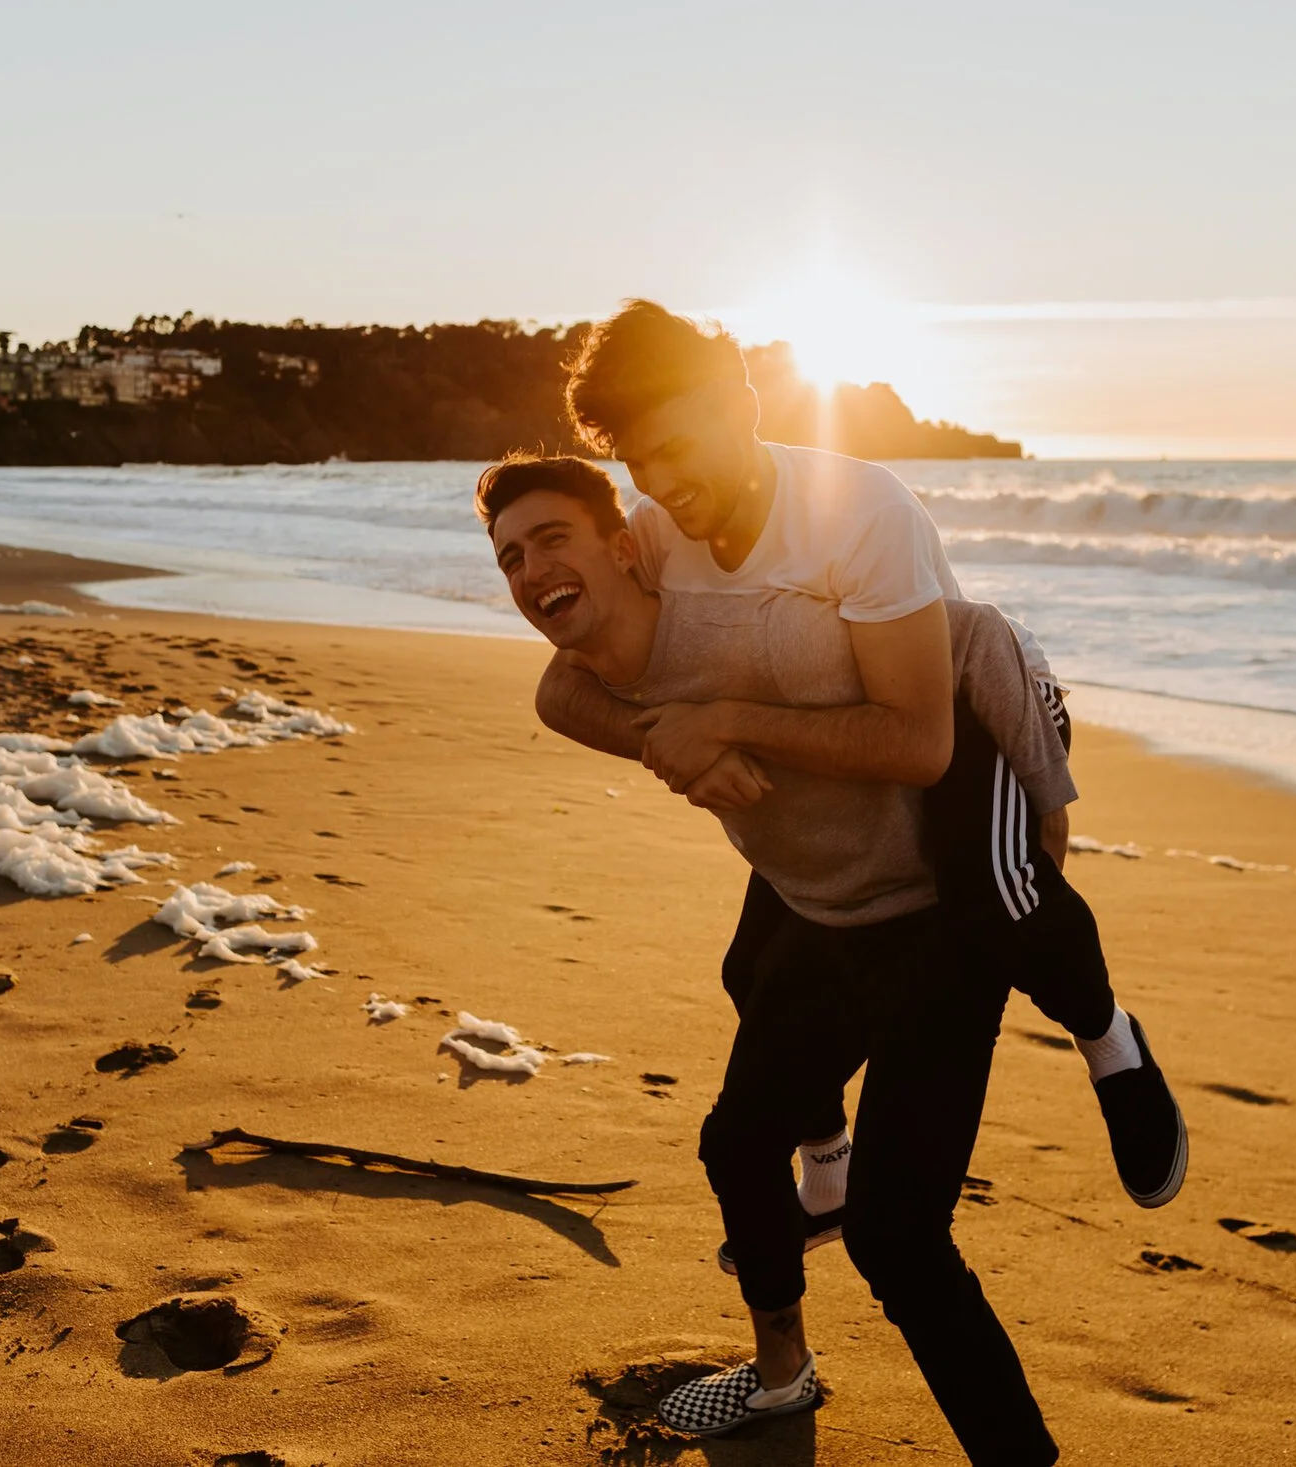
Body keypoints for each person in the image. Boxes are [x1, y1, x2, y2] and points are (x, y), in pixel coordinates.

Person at [483, 455, 1081, 1458]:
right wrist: (663, 739)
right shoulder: (592, 670)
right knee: (735, 1134)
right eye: (508, 557)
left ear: (628, 547)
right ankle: (781, 1371)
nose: (529, 566)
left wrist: (1041, 870)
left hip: (942, 919)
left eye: (551, 538)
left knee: (900, 1241)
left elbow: (964, 662)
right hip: (825, 911)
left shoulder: (758, 621)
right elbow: (558, 693)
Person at [540, 301, 1184, 1209]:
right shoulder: (654, 534)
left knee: (1004, 894)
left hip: (975, 713)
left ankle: (1111, 1042)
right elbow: (562, 685)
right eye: (639, 461)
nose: (662, 481)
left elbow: (931, 728)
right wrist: (668, 741)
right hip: (843, 738)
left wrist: (1046, 794)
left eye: (677, 447)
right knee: (745, 973)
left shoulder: (859, 509)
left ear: (740, 406)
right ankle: (830, 1164)